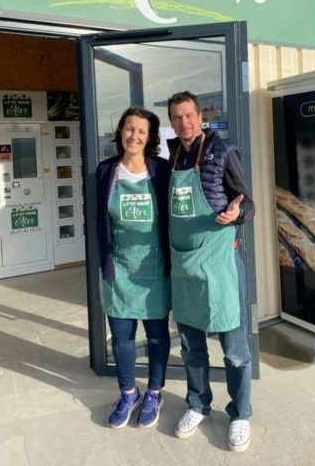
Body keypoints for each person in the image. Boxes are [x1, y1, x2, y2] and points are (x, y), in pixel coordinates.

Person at [167, 90, 255, 453]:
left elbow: (248, 202)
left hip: (220, 265)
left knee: (234, 350)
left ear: (200, 116)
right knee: (191, 347)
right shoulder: (170, 155)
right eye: (176, 118)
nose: (184, 123)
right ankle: (197, 404)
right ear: (171, 121)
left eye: (189, 115)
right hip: (185, 265)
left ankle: (240, 412)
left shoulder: (224, 151)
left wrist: (238, 213)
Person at [96, 107, 171, 429]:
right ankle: (128, 392)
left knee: (156, 335)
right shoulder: (104, 171)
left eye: (141, 131)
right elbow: (98, 220)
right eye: (129, 129)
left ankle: (154, 392)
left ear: (150, 137)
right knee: (122, 337)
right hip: (119, 267)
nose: (134, 136)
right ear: (120, 131)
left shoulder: (163, 171)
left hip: (154, 267)